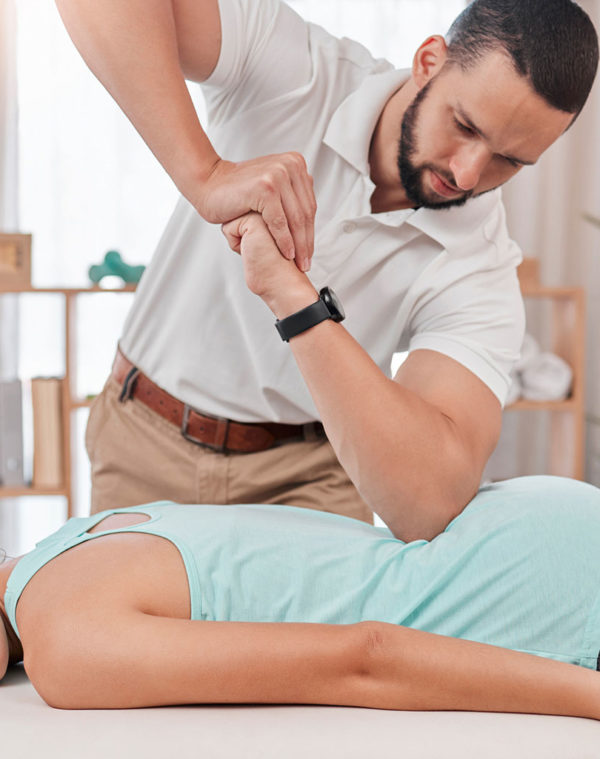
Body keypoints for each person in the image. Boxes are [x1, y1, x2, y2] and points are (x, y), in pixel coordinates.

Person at [55, 0, 598, 538]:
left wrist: (295, 300)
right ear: (429, 61)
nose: (467, 174)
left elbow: (430, 502)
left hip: (310, 481)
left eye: (510, 160)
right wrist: (205, 174)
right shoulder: (298, 70)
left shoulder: (482, 266)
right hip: (145, 436)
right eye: (464, 125)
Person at [1, 473, 600, 717]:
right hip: (536, 523)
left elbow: (365, 657)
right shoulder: (80, 535)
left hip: (539, 597)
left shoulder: (64, 640)